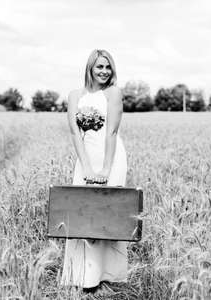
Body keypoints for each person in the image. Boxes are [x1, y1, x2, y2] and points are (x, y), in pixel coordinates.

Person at [61, 49, 128, 288]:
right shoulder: (74, 95)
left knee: (106, 215)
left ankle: (106, 277)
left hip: (110, 157)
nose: (104, 71)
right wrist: (87, 166)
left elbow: (111, 132)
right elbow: (74, 133)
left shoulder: (113, 93)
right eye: (99, 67)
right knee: (83, 214)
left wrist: (105, 170)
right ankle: (82, 276)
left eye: (108, 67)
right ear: (90, 68)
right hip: (85, 158)